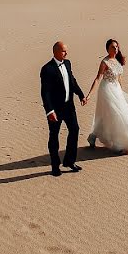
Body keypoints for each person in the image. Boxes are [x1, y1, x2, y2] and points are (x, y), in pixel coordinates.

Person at [84, 39, 128, 154]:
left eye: (116, 47)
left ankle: (93, 136)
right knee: (114, 114)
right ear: (107, 49)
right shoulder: (105, 62)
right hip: (106, 90)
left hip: (116, 91)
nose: (115, 49)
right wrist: (89, 95)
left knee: (110, 115)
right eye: (112, 47)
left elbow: (119, 78)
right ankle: (117, 143)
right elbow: (98, 78)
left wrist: (121, 92)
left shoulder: (117, 61)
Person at [40, 41, 87, 176]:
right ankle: (55, 166)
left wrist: (80, 94)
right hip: (55, 110)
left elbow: (72, 80)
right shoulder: (47, 69)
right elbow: (45, 92)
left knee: (75, 130)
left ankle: (69, 161)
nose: (66, 53)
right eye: (63, 51)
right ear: (55, 52)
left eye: (66, 51)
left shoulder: (67, 63)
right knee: (54, 136)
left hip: (69, 106)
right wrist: (49, 111)